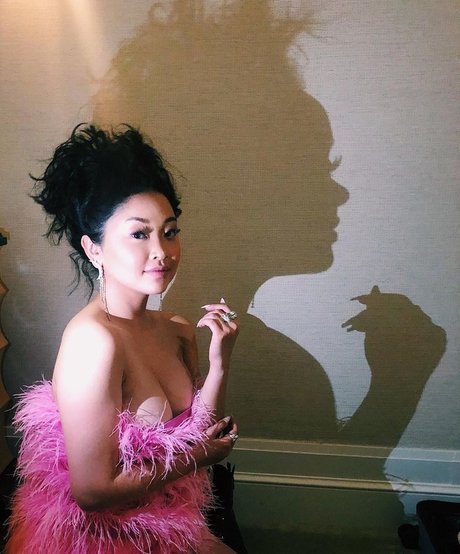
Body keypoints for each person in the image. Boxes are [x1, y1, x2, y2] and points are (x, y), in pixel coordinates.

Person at [6, 124, 240, 554]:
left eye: (170, 231)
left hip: (173, 521)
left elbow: (200, 432)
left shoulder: (175, 328)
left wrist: (220, 361)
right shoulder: (93, 342)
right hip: (104, 537)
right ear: (93, 249)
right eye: (139, 234)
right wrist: (198, 457)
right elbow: (92, 492)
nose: (162, 251)